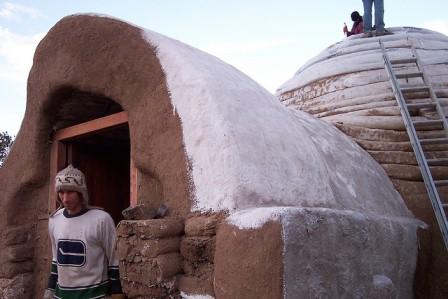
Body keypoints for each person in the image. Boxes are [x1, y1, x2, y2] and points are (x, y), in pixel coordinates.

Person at [44, 165, 125, 299]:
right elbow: (55, 259)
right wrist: (50, 290)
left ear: (81, 193)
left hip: (95, 296)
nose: (65, 199)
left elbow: (114, 260)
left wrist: (117, 293)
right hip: (61, 295)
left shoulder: (101, 219)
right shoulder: (54, 219)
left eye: (70, 192)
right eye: (61, 192)